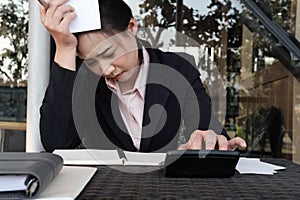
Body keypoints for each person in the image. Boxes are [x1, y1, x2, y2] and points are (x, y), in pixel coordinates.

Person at [39, 0, 246, 152]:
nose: (106, 70)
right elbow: (56, 142)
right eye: (91, 62)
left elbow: (207, 129)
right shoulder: (85, 82)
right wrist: (65, 49)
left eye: (109, 54)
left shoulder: (177, 69)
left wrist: (214, 141)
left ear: (131, 28)